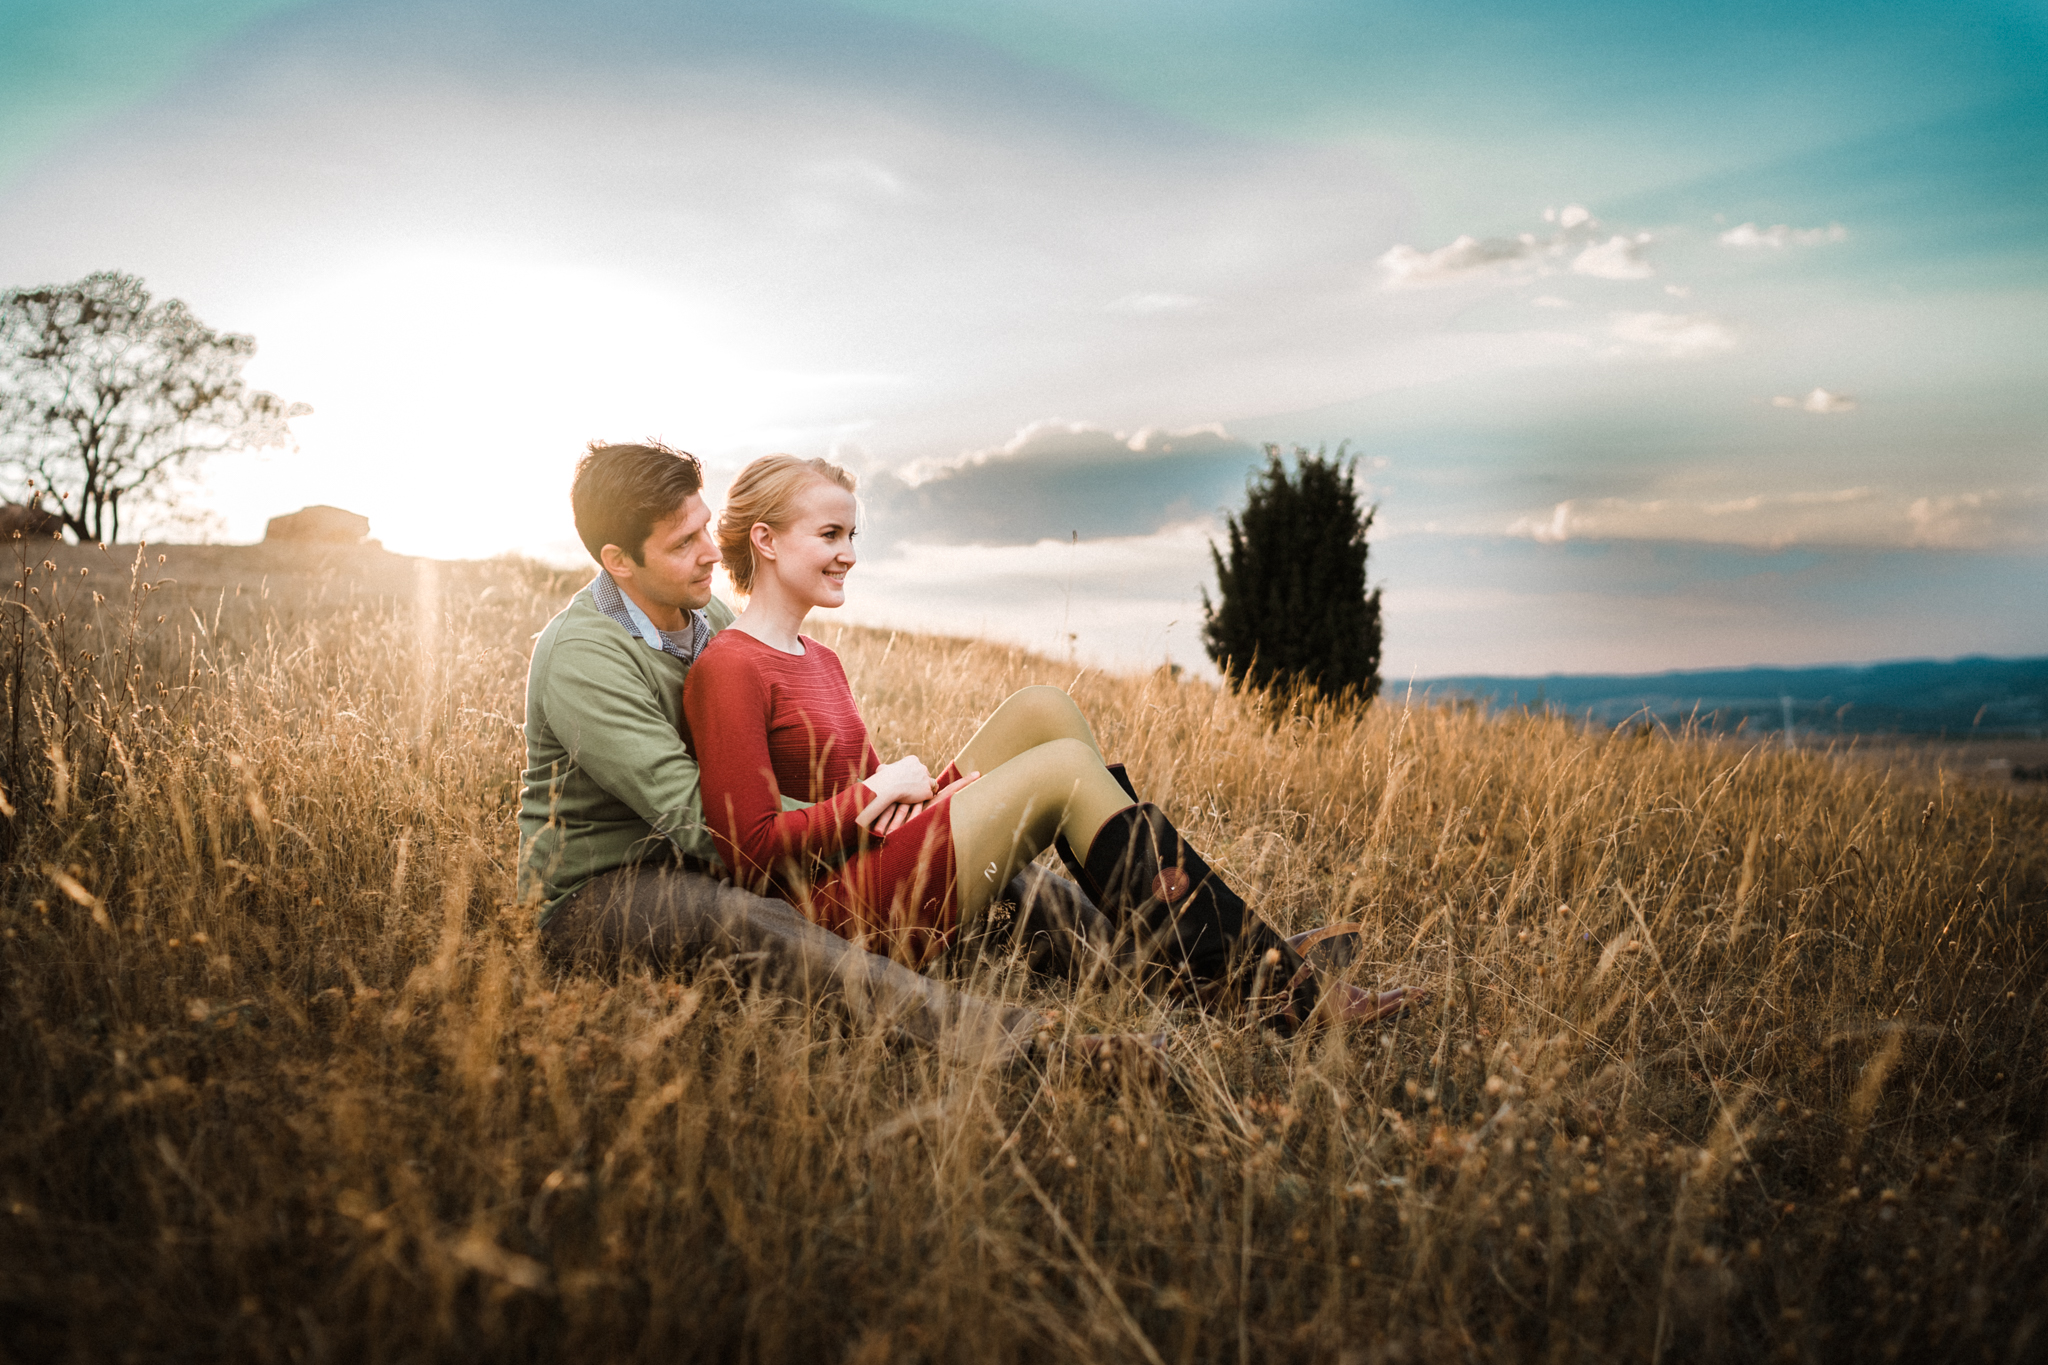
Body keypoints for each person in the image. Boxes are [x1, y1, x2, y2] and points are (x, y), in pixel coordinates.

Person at [683, 454, 1427, 1032]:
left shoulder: (821, 660)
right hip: (833, 914)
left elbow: (874, 800)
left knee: (1043, 708)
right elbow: (746, 851)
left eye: (853, 536)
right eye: (830, 535)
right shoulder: (730, 667)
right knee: (1066, 770)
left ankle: (1199, 949)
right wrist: (877, 795)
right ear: (766, 540)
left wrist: (913, 801)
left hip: (877, 860)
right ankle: (1269, 982)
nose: (849, 553)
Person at [517, 440, 1106, 1065]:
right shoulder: (583, 657)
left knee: (992, 854)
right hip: (604, 887)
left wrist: (906, 819)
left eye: (703, 527)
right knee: (742, 919)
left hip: (715, 853)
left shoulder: (707, 616)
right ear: (619, 561)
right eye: (682, 543)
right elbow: (696, 820)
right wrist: (874, 815)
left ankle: (1163, 959)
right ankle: (1037, 1049)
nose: (712, 552)